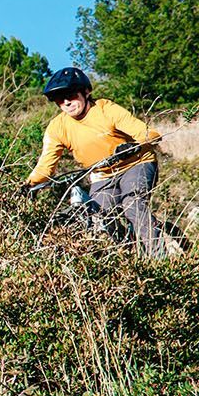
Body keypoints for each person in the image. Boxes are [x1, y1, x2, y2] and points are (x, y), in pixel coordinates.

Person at [26, 66, 169, 255]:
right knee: (99, 219)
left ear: (86, 92)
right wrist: (29, 185)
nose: (67, 102)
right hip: (102, 174)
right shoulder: (57, 127)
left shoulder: (105, 109)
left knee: (132, 205)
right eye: (60, 99)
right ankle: (128, 260)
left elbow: (150, 134)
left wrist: (133, 146)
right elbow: (46, 165)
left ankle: (160, 259)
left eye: (71, 94)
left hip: (136, 163)